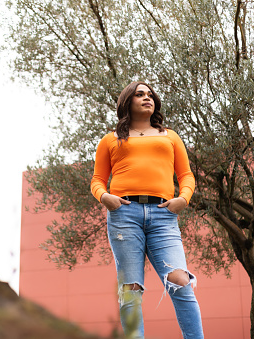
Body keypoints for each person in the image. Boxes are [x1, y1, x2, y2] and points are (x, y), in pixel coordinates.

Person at [90, 81, 204, 338]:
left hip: (164, 215)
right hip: (124, 215)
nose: (147, 97)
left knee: (180, 281)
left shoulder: (170, 136)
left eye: (150, 94)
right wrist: (104, 196)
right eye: (139, 94)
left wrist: (183, 199)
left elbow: (186, 175)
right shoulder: (110, 140)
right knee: (131, 289)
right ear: (127, 101)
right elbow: (97, 180)